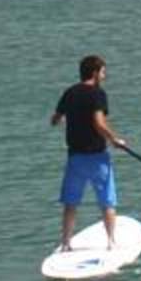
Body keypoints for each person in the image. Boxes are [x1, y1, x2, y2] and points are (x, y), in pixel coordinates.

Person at [50, 54, 127, 251]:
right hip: (97, 158)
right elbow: (99, 123)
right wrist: (114, 139)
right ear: (94, 73)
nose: (104, 76)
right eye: (103, 72)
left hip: (75, 158)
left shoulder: (70, 93)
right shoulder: (97, 94)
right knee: (107, 201)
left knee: (71, 203)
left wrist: (68, 119)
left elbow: (55, 119)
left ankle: (66, 243)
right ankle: (111, 242)